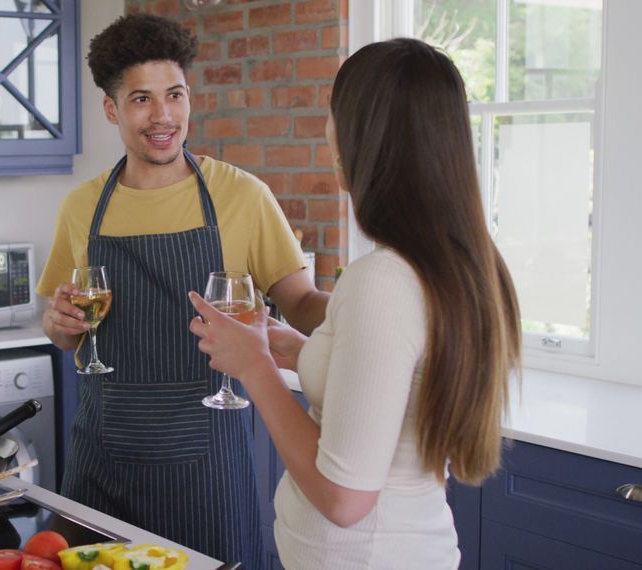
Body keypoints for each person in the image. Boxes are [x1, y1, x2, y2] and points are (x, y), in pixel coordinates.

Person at [189, 38, 522, 568]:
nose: (329, 134)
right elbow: (393, 383)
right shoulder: (460, 263)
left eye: (334, 113)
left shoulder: (382, 282)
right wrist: (300, 351)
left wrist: (254, 367)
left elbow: (345, 500)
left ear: (366, 138)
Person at [36, 13, 328, 567]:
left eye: (174, 94)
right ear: (111, 109)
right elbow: (65, 331)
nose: (163, 116)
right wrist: (59, 325)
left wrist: (368, 308)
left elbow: (304, 303)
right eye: (142, 99)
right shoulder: (82, 207)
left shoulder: (241, 195)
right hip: (102, 466)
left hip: (209, 473)